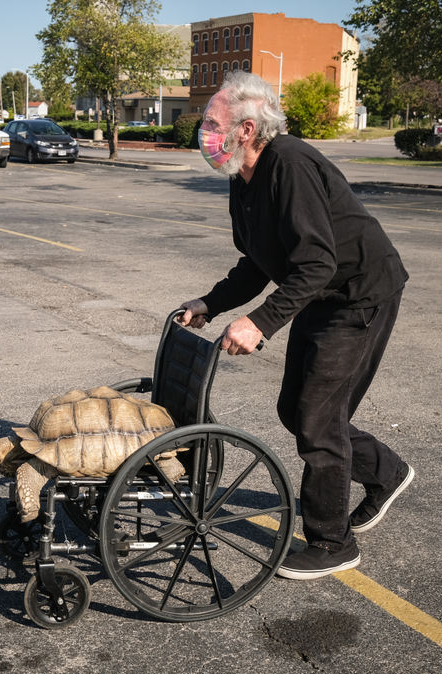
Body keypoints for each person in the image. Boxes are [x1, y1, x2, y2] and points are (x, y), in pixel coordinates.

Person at [179, 71, 413, 580]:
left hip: (358, 295)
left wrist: (259, 323)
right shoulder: (243, 179)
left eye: (212, 121)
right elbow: (258, 261)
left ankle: (333, 544)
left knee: (316, 418)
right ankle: (387, 472)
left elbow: (317, 262)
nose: (204, 131)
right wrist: (211, 304)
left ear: (245, 128)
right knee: (297, 409)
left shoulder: (290, 163)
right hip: (319, 295)